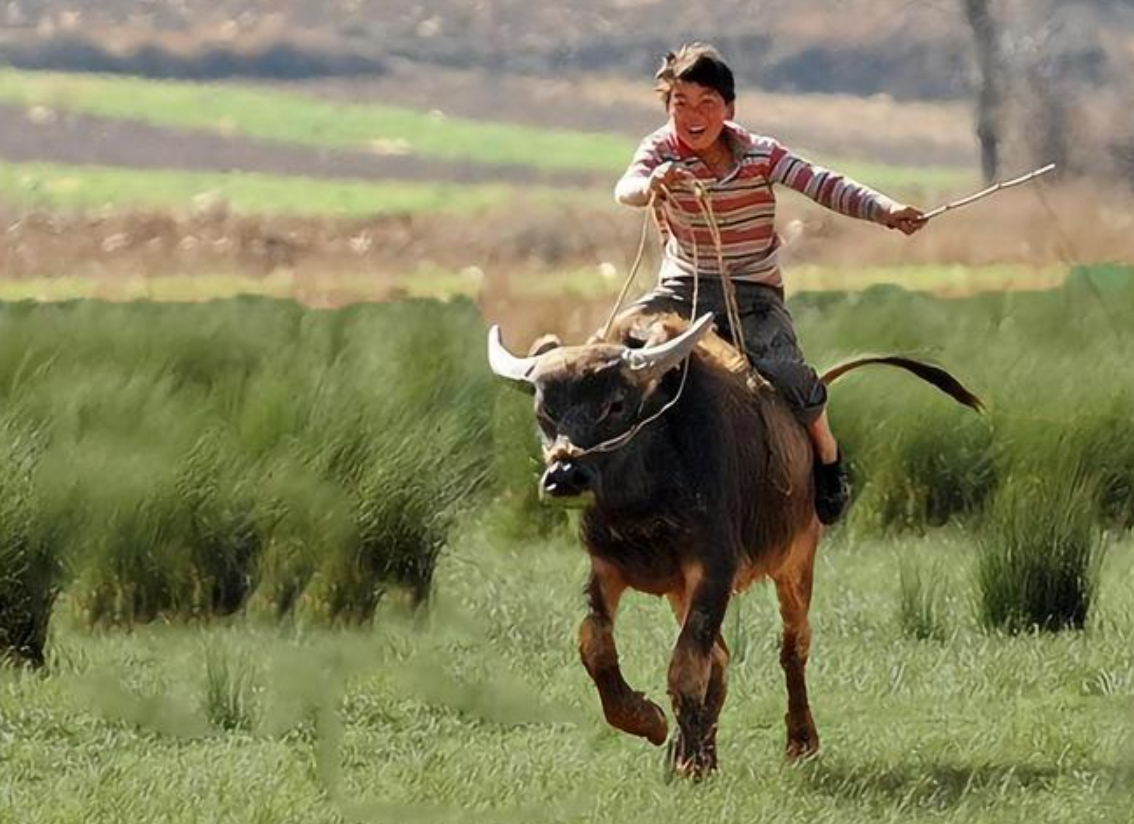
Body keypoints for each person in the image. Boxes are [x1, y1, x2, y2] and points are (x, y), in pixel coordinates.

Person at [614, 43, 926, 525]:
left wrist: (886, 211)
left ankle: (827, 458)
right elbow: (627, 188)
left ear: (729, 109)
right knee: (611, 352)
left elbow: (823, 183)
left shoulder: (761, 154)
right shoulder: (659, 151)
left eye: (706, 104)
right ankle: (599, 468)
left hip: (752, 294)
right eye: (680, 104)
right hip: (683, 289)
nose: (692, 116)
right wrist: (653, 182)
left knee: (787, 374)